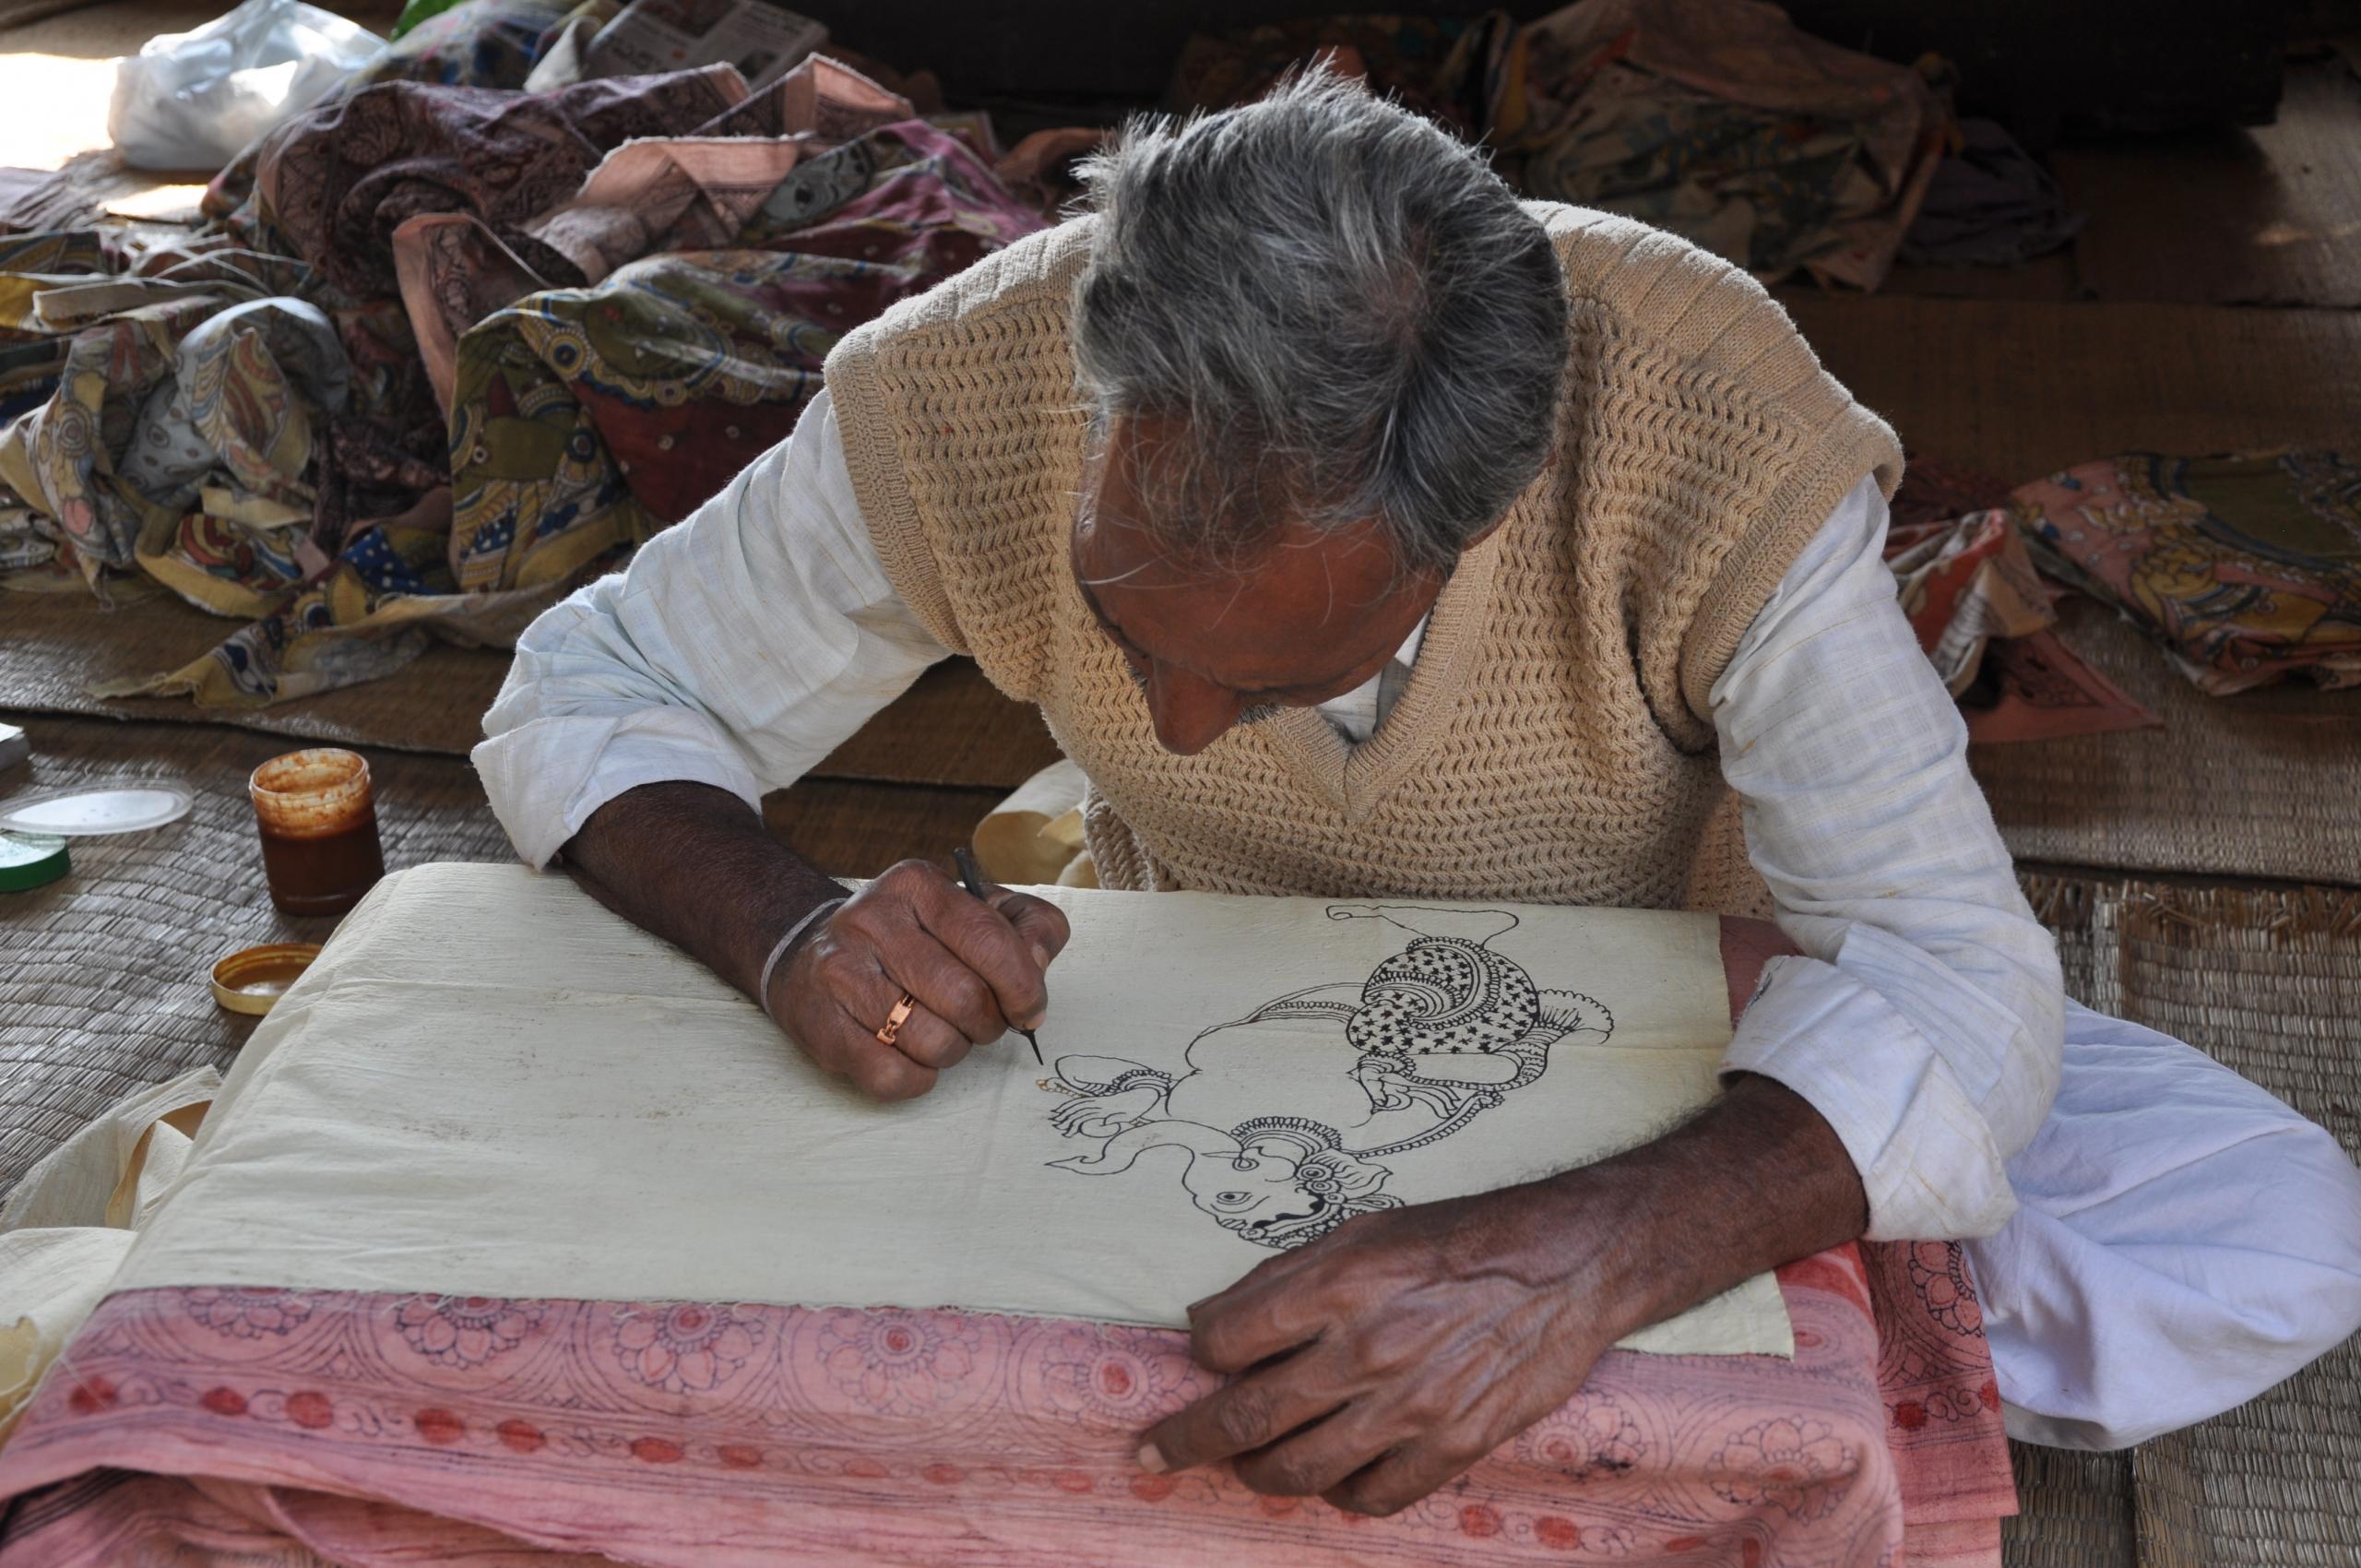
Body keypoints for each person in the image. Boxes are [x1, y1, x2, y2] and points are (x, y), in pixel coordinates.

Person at [476, 69, 2361, 1516]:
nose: (1189, 730)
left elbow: (1943, 965)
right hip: (1202, 989)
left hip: (1670, 1027)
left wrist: (1576, 1258)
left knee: (2272, 1225)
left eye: (1272, 672)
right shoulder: (966, 384)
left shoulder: (1704, 427)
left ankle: (1647, 1370)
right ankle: (1653, 1413)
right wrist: (792, 924)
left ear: (1461, 532)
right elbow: (594, 684)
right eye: (1131, 638)